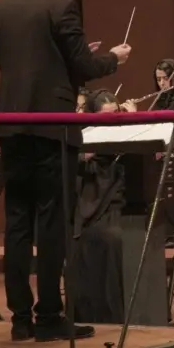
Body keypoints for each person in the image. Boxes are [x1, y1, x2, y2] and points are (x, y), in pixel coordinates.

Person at [0, 0, 131, 342]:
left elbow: (16, 64)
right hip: (51, 128)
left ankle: (20, 319)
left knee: (18, 222)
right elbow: (85, 67)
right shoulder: (61, 7)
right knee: (51, 223)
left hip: (10, 124)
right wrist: (112, 59)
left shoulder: (3, 6)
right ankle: (49, 316)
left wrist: (68, 59)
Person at [67, 89, 136, 323]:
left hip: (118, 206)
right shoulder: (83, 138)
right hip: (89, 206)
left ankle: (116, 315)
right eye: (106, 116)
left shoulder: (127, 136)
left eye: (116, 114)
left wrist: (134, 122)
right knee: (87, 240)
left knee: (113, 238)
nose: (112, 121)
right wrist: (85, 156)